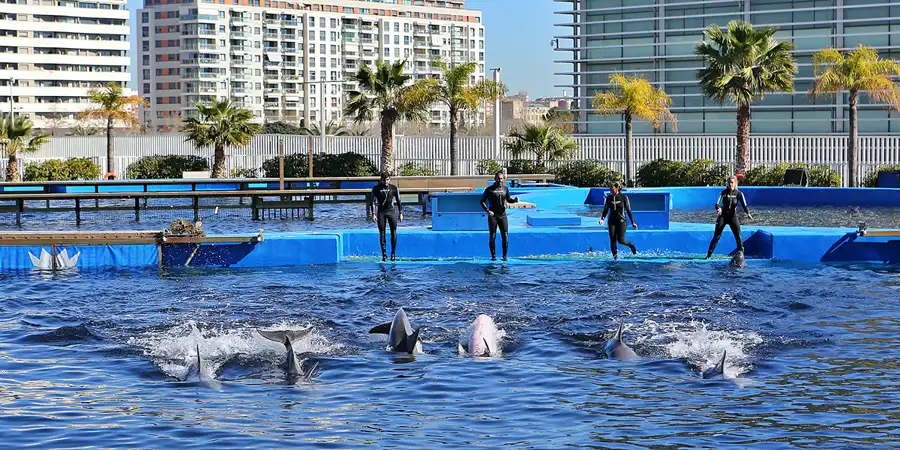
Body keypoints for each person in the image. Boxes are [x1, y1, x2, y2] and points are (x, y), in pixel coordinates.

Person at [706, 175, 753, 259]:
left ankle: (741, 256)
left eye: (732, 182)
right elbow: (717, 203)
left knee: (738, 236)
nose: (730, 184)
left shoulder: (739, 194)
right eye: (729, 183)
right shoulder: (723, 193)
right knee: (716, 236)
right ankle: (708, 256)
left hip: (732, 217)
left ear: (735, 183)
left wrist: (748, 213)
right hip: (723, 216)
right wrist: (718, 209)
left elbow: (744, 205)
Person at [480, 170, 519, 261]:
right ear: (495, 179)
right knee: (492, 236)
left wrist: (514, 200)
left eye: (501, 179)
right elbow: (482, 201)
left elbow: (508, 199)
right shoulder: (489, 190)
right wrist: (488, 211)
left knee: (505, 236)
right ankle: (493, 257)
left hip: (502, 216)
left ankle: (504, 257)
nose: (500, 180)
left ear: (503, 179)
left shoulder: (505, 189)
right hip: (493, 216)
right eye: (498, 179)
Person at [598, 182, 638, 260]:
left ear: (617, 188)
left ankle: (631, 246)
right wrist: (602, 219)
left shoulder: (624, 197)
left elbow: (628, 210)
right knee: (612, 240)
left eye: (612, 188)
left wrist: (633, 222)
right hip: (612, 221)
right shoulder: (609, 198)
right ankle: (615, 258)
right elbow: (605, 209)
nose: (610, 190)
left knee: (621, 240)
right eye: (610, 188)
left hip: (621, 221)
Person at [369, 172, 403, 261]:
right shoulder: (376, 188)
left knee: (393, 232)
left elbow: (399, 201)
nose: (386, 182)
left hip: (391, 211)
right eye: (384, 180)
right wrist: (373, 214)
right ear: (381, 180)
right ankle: (384, 255)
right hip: (381, 212)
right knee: (382, 233)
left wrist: (400, 213)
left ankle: (393, 254)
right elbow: (372, 202)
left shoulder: (394, 188)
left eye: (387, 180)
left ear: (389, 179)